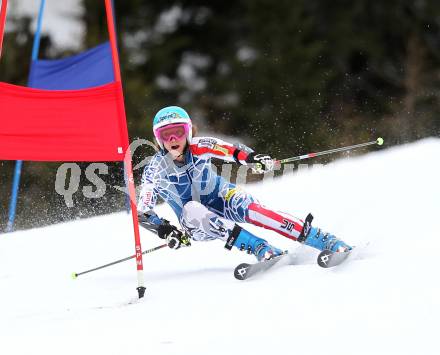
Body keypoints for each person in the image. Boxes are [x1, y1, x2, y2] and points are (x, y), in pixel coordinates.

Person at [137, 106, 351, 261]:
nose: (173, 138)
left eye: (179, 132)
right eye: (166, 134)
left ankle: (323, 239)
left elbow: (231, 151)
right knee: (194, 209)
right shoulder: (155, 169)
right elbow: (143, 212)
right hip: (195, 222)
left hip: (221, 197)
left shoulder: (201, 146)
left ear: (189, 132)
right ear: (158, 140)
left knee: (254, 209)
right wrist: (165, 230)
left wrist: (253, 158)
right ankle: (259, 247)